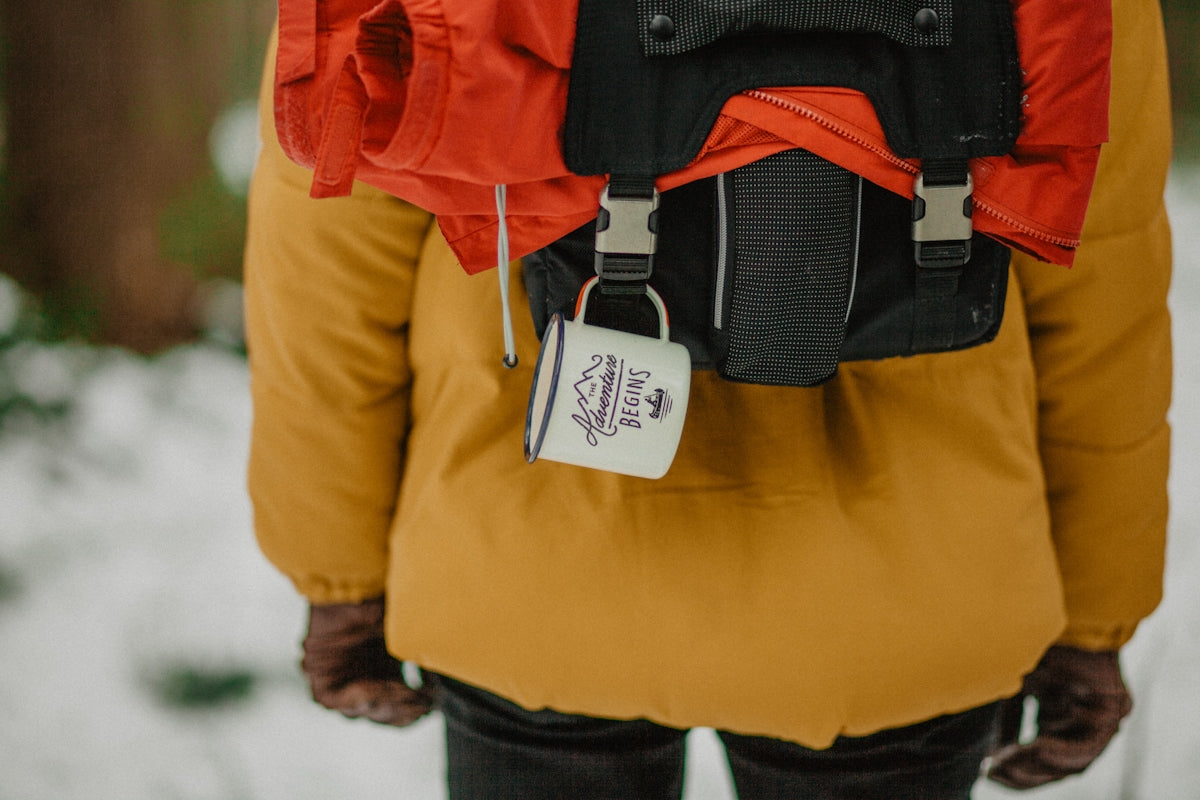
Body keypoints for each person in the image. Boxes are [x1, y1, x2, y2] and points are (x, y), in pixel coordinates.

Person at [243, 0, 1173, 796]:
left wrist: (338, 578)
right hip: (908, 597)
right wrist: (1094, 615)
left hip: (535, 563)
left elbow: (326, 260)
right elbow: (1105, 282)